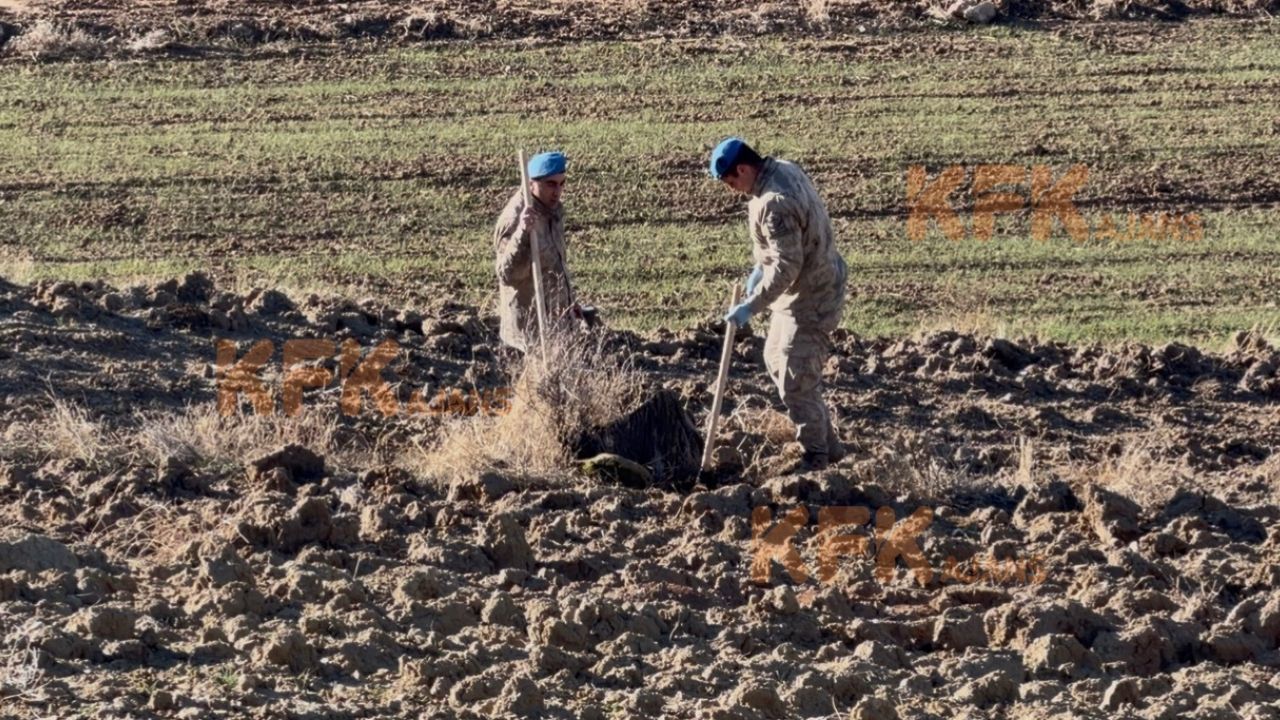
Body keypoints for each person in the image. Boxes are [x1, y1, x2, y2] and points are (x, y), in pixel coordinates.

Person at [710, 137, 849, 471]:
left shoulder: (774, 202)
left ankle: (816, 458)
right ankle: (829, 446)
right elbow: (787, 244)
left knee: (795, 377)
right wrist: (761, 266)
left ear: (743, 169)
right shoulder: (781, 170)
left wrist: (752, 305)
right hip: (797, 294)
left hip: (811, 298)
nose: (732, 190)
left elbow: (788, 266)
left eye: (731, 181)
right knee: (775, 357)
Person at [492, 151, 580, 353]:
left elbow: (555, 262)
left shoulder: (553, 210)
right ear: (531, 183)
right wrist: (522, 233)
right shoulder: (515, 219)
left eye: (561, 184)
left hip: (555, 326)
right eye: (550, 184)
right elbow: (509, 275)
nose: (557, 191)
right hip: (528, 337)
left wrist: (569, 300)